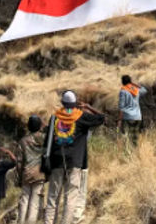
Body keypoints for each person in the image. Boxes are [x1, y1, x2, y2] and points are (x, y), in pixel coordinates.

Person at [43, 90, 105, 224]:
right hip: (75, 162)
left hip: (57, 162)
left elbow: (46, 141)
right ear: (74, 103)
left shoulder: (54, 118)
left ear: (63, 103)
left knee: (52, 198)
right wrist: (88, 107)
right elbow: (101, 118)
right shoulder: (81, 116)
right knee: (70, 198)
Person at [17, 115, 46, 224]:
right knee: (35, 202)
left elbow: (19, 161)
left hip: (26, 173)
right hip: (39, 173)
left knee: (24, 200)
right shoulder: (44, 138)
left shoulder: (23, 141)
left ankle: (21, 221)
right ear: (39, 126)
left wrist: (19, 177)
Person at [117, 75, 147, 145]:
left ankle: (129, 154)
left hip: (127, 117)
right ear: (130, 81)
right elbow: (145, 90)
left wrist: (119, 120)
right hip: (137, 117)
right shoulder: (136, 90)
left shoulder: (123, 91)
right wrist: (133, 84)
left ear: (122, 82)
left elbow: (122, 107)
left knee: (127, 138)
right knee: (135, 138)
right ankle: (136, 153)